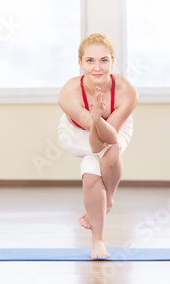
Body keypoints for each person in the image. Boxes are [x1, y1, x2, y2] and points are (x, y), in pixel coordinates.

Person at [57, 33, 138, 259]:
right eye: (90, 61)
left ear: (112, 62)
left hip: (113, 129)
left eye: (104, 60)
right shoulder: (68, 94)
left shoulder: (127, 92)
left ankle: (99, 239)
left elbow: (108, 139)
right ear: (80, 63)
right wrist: (94, 118)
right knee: (100, 155)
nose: (97, 68)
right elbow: (94, 145)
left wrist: (99, 118)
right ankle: (104, 212)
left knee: (106, 159)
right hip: (76, 134)